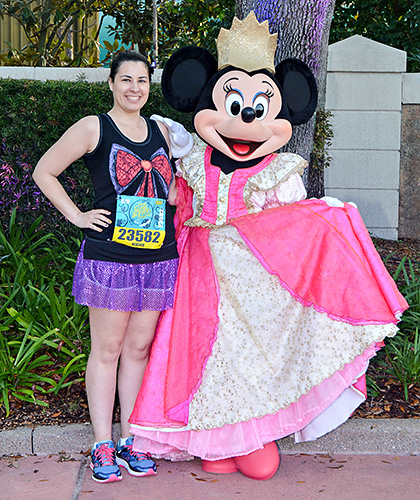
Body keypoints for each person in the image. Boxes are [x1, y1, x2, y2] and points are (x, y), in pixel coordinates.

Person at [128, 13, 408, 480]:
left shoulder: (280, 171)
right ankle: (214, 439)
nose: (247, 118)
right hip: (201, 281)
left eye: (261, 106)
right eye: (233, 102)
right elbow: (177, 204)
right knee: (206, 357)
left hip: (260, 283)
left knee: (256, 354)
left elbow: (291, 225)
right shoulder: (194, 162)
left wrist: (328, 218)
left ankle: (254, 436)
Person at [33, 51, 192, 483]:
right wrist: (78, 216)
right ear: (111, 82)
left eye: (142, 81)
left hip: (158, 258)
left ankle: (131, 440)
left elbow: (172, 192)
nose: (134, 88)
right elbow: (44, 172)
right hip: (111, 259)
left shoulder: (161, 131)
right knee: (107, 351)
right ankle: (102, 443)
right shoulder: (92, 127)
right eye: (126, 80)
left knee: (138, 351)